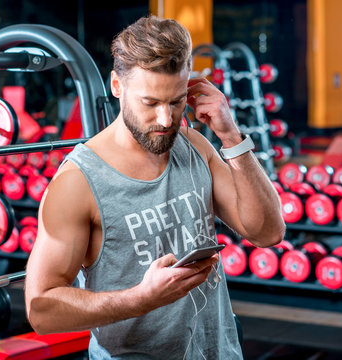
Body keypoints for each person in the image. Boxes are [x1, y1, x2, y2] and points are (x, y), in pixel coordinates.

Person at [24, 15, 285, 360]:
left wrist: (230, 135)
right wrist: (140, 299)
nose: (165, 120)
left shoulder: (193, 145)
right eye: (150, 103)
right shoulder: (78, 182)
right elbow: (41, 310)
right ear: (117, 86)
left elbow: (268, 232)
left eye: (176, 101)